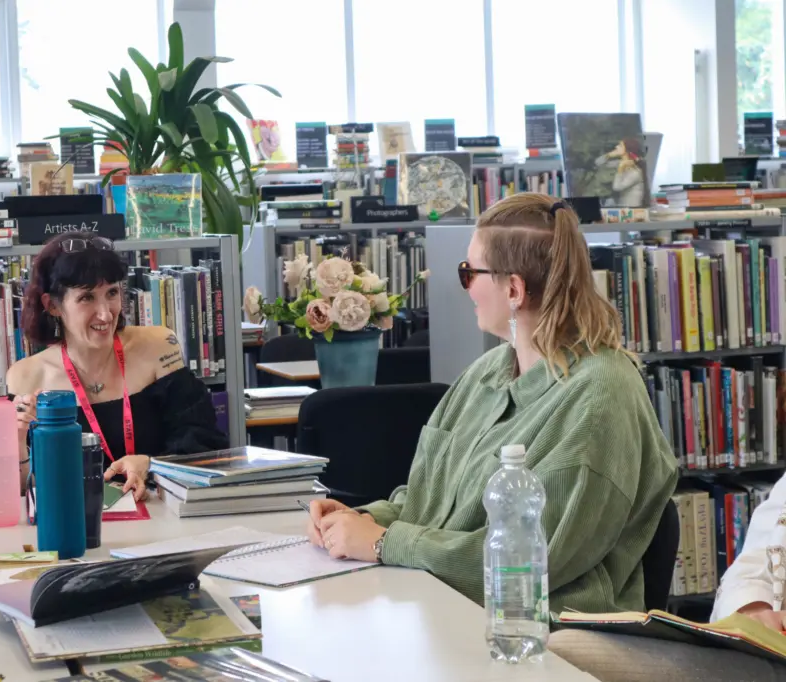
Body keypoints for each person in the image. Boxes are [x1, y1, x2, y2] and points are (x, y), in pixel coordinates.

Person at [304, 192, 677, 615]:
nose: (465, 287)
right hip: (440, 599)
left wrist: (382, 542)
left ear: (514, 288)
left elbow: (533, 560)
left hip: (542, 629)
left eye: (469, 273)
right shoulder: (488, 371)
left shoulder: (601, 397)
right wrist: (364, 519)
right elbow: (427, 500)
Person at [6, 234, 228, 500]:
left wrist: (150, 463)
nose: (105, 313)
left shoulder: (159, 347)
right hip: (73, 521)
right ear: (52, 305)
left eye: (111, 293)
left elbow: (208, 447)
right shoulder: (26, 377)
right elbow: (17, 493)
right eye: (87, 297)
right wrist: (18, 441)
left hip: (160, 513)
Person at [549, 476, 786, 682]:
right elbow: (755, 559)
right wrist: (751, 608)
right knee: (565, 649)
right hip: (766, 647)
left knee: (570, 653)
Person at [594, 137, 647, 207]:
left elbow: (617, 187)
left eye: (620, 145)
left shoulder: (635, 171)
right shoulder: (620, 162)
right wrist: (608, 155)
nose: (616, 147)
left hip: (632, 208)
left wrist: (620, 169)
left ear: (627, 150)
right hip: (622, 205)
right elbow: (598, 163)